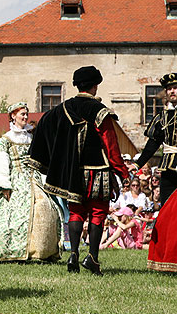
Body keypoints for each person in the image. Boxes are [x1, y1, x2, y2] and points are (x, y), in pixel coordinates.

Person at [29, 66, 128, 275]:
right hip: (98, 171)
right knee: (98, 212)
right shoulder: (100, 111)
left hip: (72, 171)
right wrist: (122, 172)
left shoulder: (61, 109)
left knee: (76, 212)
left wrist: (51, 160)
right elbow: (111, 145)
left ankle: (73, 253)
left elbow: (43, 125)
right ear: (95, 85)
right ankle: (92, 258)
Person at [0, 102, 63, 262]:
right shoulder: (6, 139)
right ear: (13, 116)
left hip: (34, 178)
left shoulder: (31, 137)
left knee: (44, 209)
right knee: (10, 217)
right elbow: (1, 162)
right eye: (22, 114)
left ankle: (39, 251)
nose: (25, 117)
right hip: (15, 179)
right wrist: (4, 185)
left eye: (26, 114)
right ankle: (10, 251)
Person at [137, 73, 177, 271]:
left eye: (176, 87)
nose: (172, 91)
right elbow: (153, 144)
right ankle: (168, 257)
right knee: (167, 211)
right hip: (168, 167)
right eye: (169, 88)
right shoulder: (161, 117)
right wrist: (138, 164)